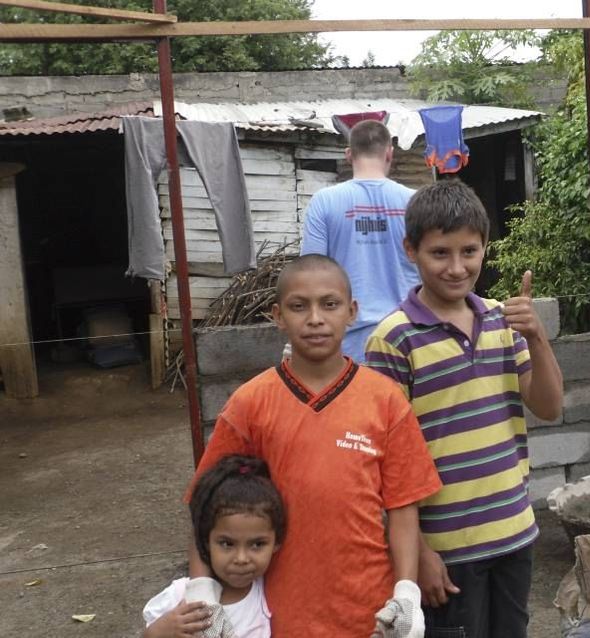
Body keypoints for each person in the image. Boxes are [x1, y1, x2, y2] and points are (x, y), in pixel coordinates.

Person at [188, 254, 443, 637]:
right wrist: (203, 593)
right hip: (276, 614)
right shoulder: (250, 404)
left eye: (330, 304)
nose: (315, 318)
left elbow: (403, 507)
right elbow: (203, 506)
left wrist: (405, 593)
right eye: (298, 306)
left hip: (369, 610)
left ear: (352, 311)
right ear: (277, 315)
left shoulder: (385, 400)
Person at [364, 179, 564, 638]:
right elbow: (382, 461)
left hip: (514, 531)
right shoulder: (394, 338)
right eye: (440, 253)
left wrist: (537, 336)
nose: (457, 268)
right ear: (411, 249)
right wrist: (417, 553)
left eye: (469, 252)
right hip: (446, 550)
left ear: (485, 248)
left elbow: (549, 407)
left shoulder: (503, 321)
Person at [300, 119, 421, 362]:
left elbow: (309, 274)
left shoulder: (324, 202)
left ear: (348, 154)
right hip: (410, 335)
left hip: (348, 342)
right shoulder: (414, 201)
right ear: (389, 153)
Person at [144, 455, 284, 638]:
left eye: (257, 544)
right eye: (227, 544)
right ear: (206, 542)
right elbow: (147, 633)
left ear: (276, 543)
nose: (241, 558)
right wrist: (162, 630)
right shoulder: (182, 594)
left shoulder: (267, 595)